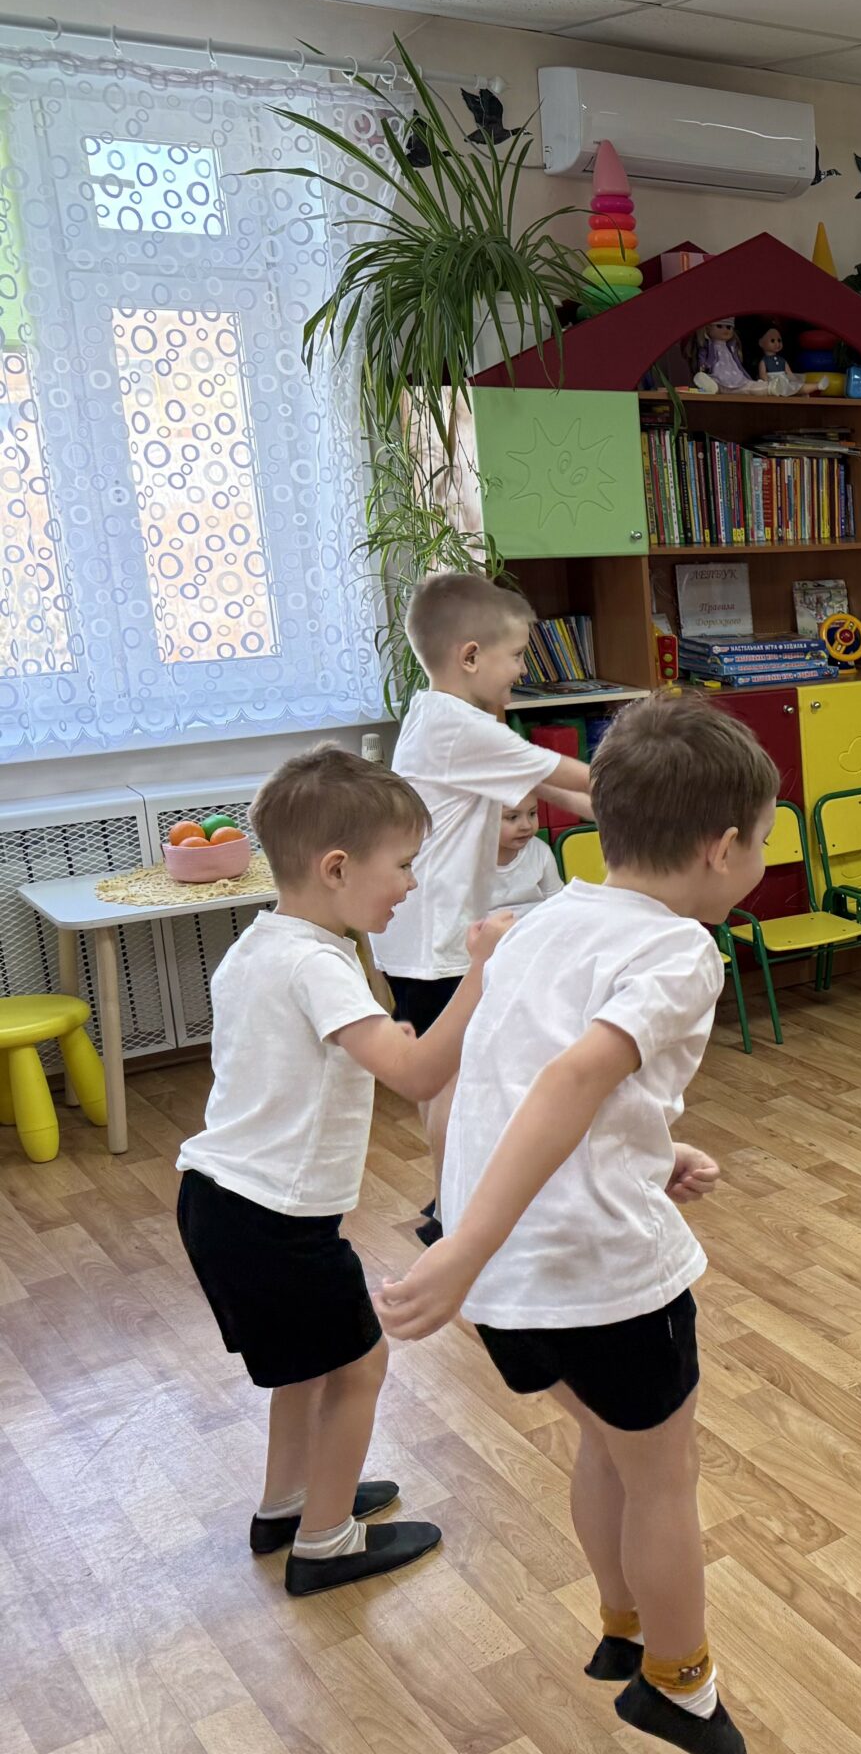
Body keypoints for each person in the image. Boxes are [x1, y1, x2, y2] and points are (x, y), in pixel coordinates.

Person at [375, 694, 777, 1754]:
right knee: (663, 1478)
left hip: (514, 1288)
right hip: (595, 1277)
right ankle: (679, 1683)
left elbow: (510, 1080)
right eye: (761, 841)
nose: (760, 859)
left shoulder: (540, 920)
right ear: (722, 848)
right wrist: (457, 1247)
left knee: (606, 1444)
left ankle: (622, 1622)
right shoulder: (682, 952)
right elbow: (567, 1079)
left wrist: (648, 1150)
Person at [173, 749, 508, 1595]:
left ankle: (287, 1505)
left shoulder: (263, 946)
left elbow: (344, 1046)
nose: (411, 884)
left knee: (308, 1365)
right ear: (336, 869)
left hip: (221, 1202)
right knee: (360, 1365)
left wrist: (395, 1033)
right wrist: (482, 973)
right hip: (272, 1221)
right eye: (402, 865)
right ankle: (325, 1543)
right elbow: (419, 1076)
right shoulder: (317, 965)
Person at [379, 573, 593, 1244]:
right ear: (470, 656)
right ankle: (452, 1218)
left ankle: (446, 1202)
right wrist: (666, 799)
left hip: (421, 939)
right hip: (435, 943)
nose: (523, 671)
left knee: (445, 1080)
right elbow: (573, 777)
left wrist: (616, 815)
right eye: (517, 656)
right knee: (456, 1084)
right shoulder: (458, 728)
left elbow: (556, 791)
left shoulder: (441, 719)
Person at [488, 789, 565, 915]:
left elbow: (557, 902)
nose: (527, 825)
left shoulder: (541, 852)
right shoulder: (466, 859)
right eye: (512, 817)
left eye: (532, 813)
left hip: (535, 923)